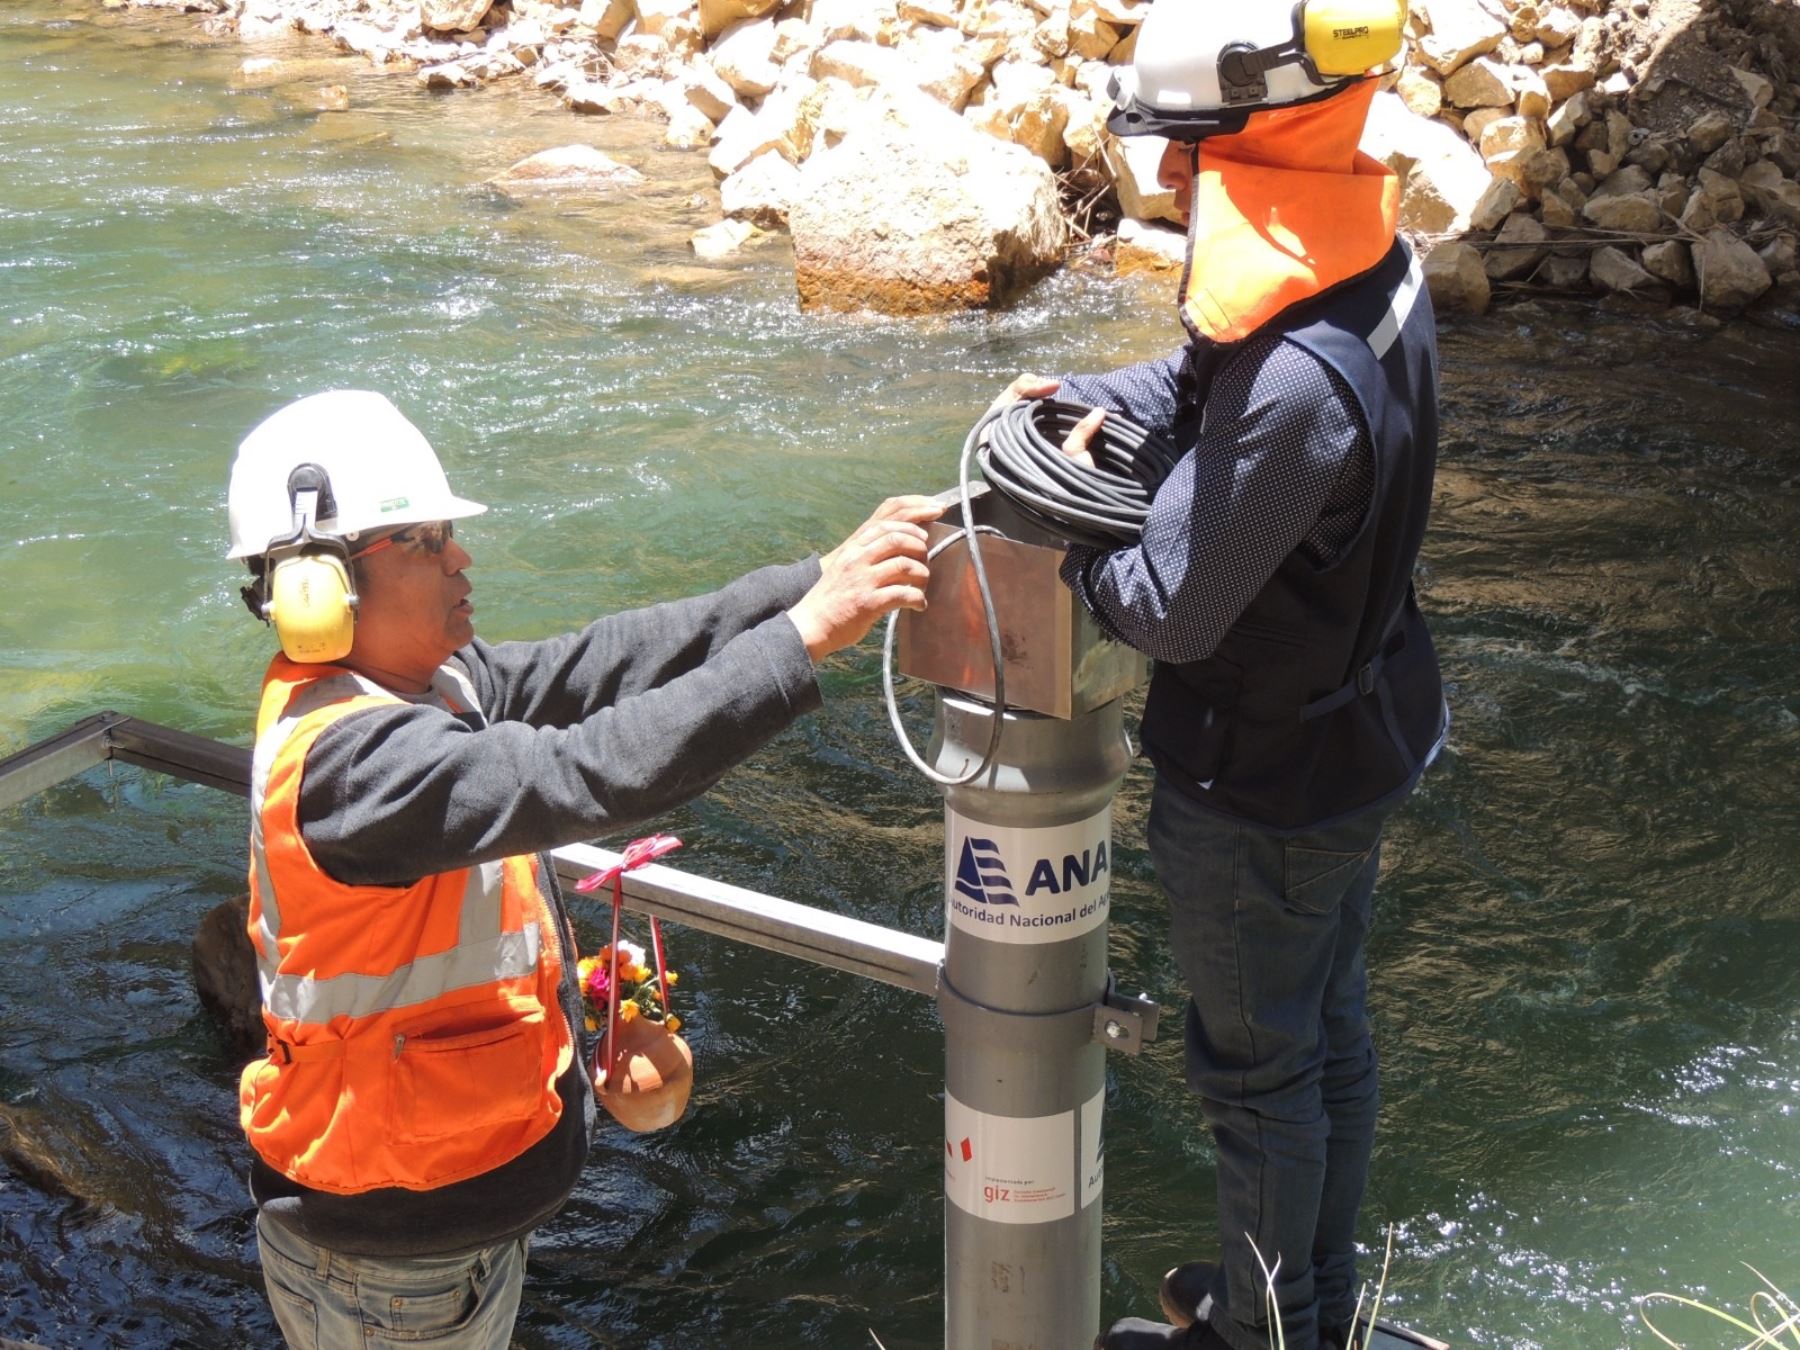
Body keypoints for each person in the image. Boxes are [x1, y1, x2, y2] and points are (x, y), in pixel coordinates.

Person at [224, 388, 939, 1348]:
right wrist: (806, 637)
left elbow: (604, 664)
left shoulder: (432, 685)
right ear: (322, 581)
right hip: (395, 1267)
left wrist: (814, 579)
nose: (461, 556)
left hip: (440, 1236)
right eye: (429, 538)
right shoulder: (355, 768)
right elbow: (590, 769)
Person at [996, 4, 1449, 1347]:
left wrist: (1057, 532)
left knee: (1256, 1075)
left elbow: (1161, 607)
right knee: (1328, 1033)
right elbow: (1202, 378)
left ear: (1254, 135)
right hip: (1362, 734)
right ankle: (1312, 1298)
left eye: (1189, 151)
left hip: (1262, 788)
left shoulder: (1302, 380)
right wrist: (1074, 396)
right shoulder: (1372, 270)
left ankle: (1267, 1330)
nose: (1176, 181)